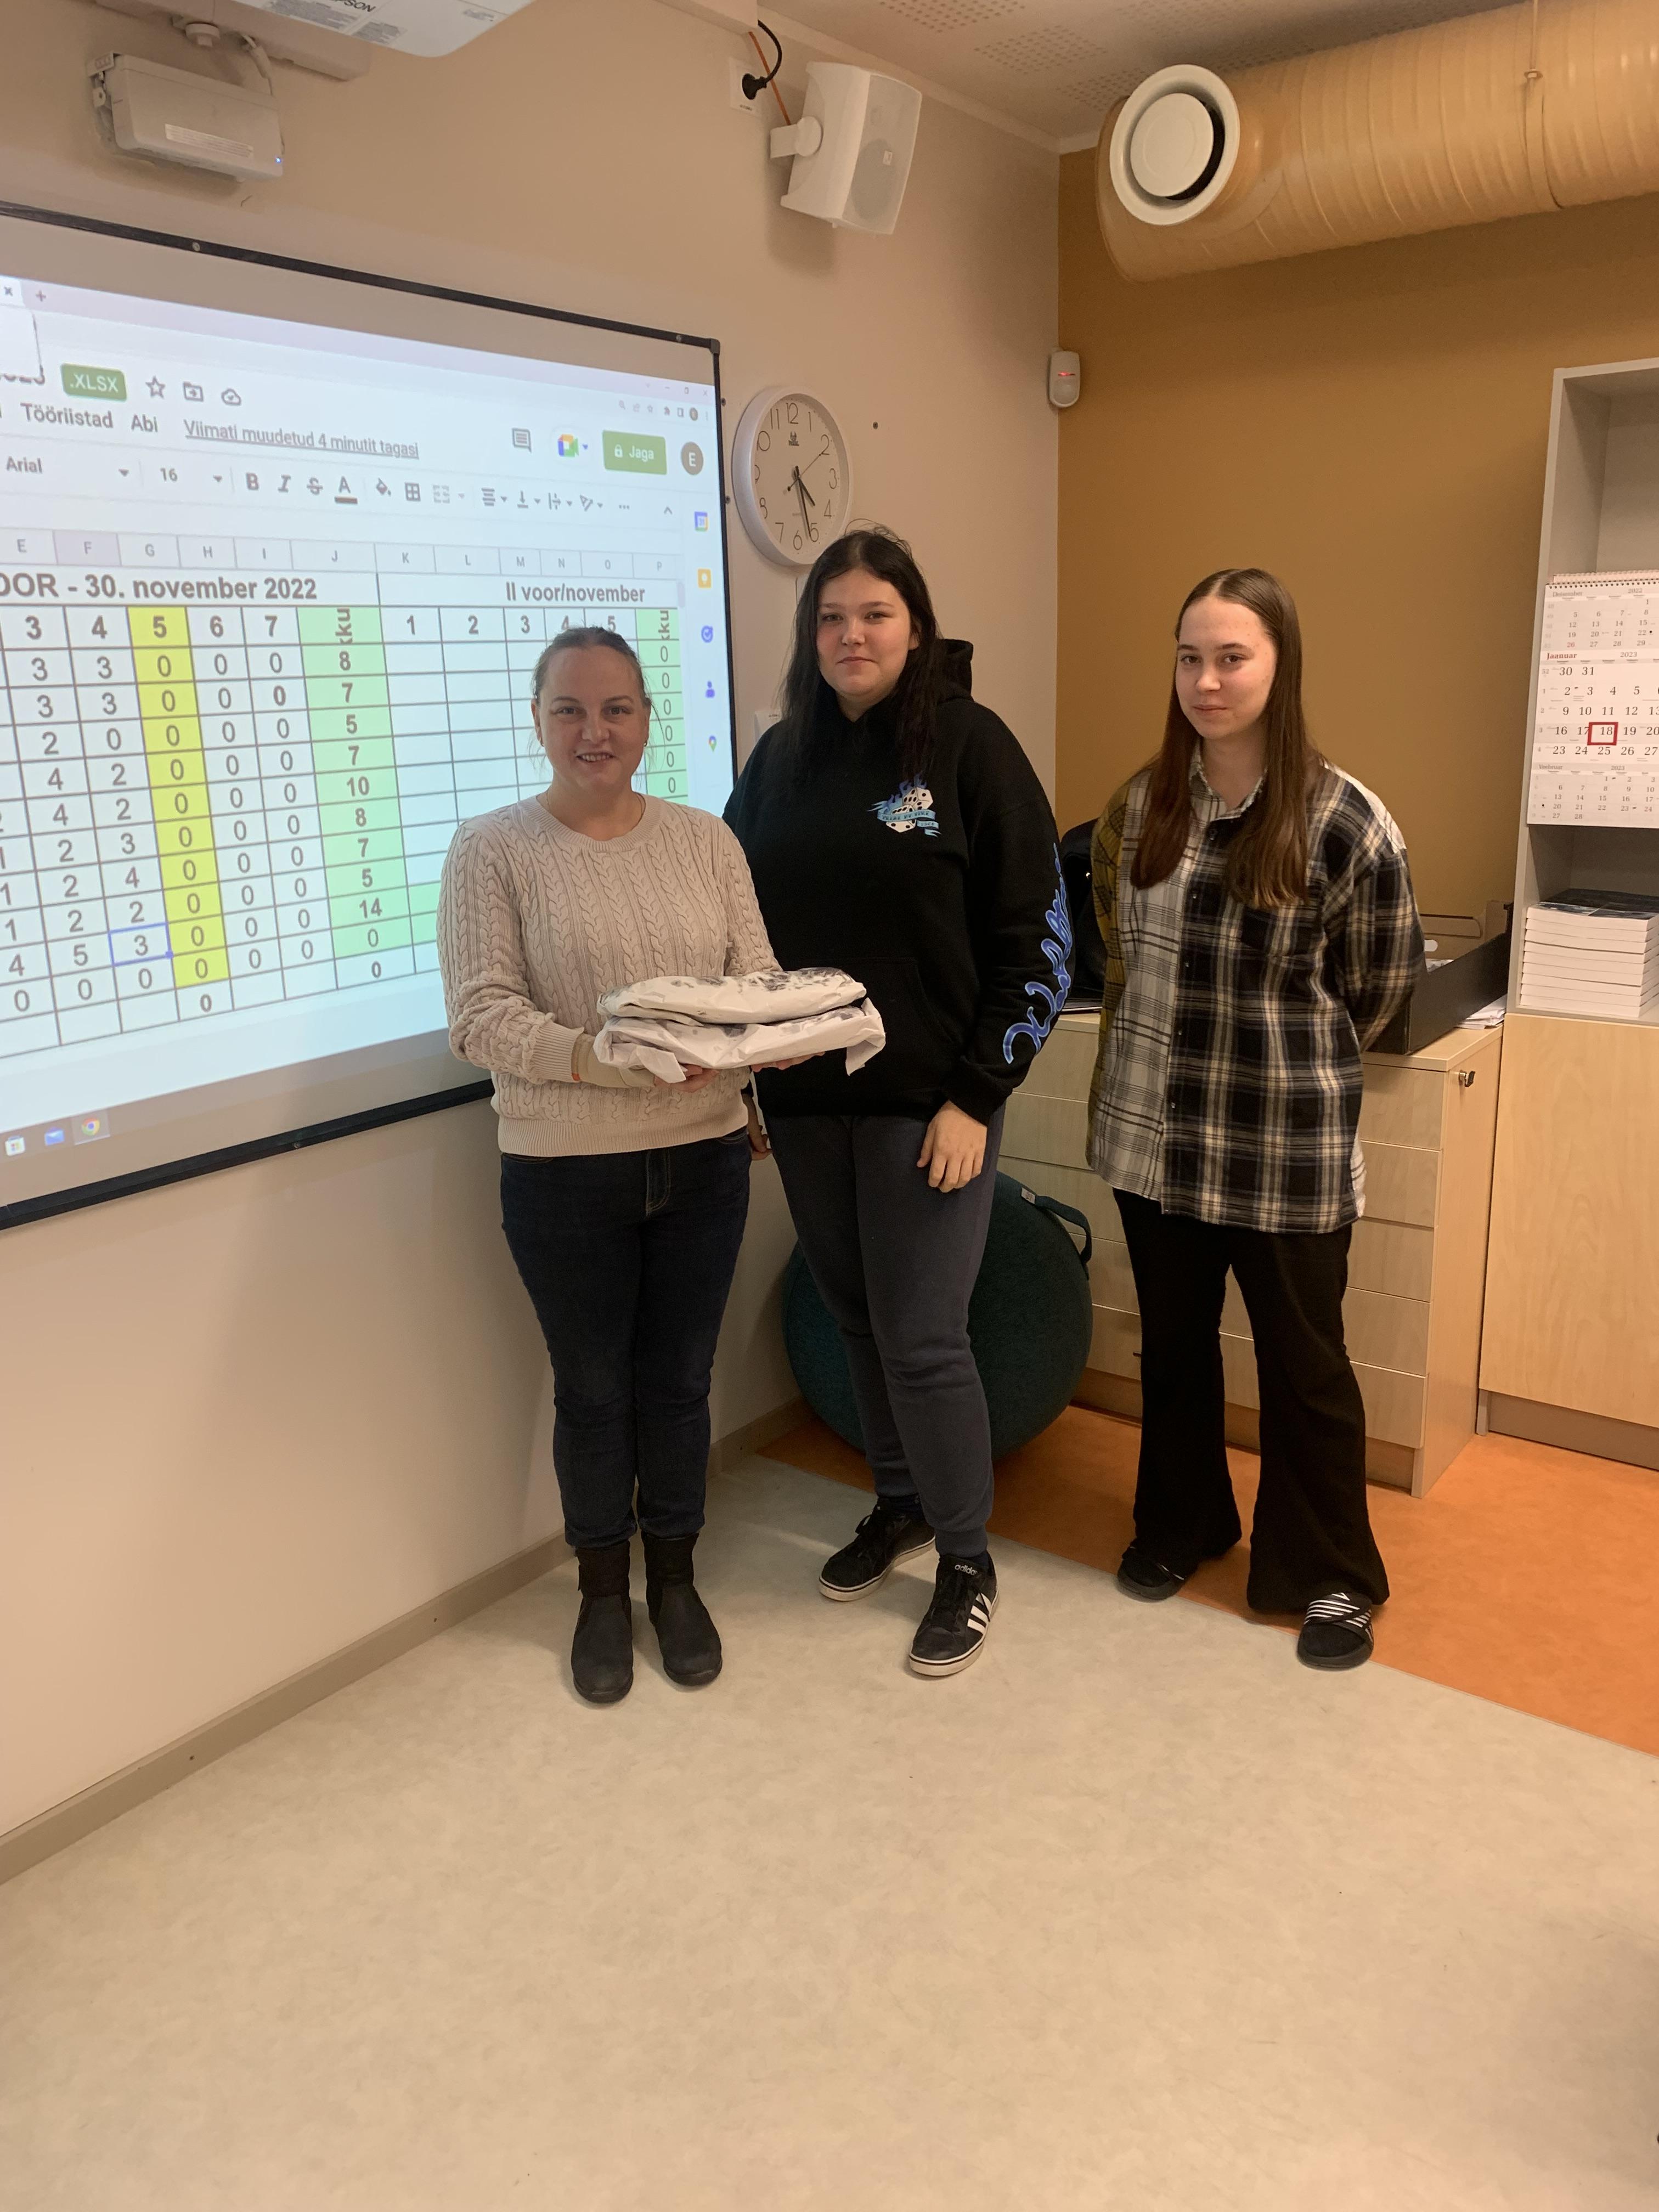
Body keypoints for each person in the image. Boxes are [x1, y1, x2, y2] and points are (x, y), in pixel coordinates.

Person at [726, 528, 1069, 1678]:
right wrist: (745, 1068)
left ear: (915, 626)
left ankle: (967, 1559)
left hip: (932, 1106)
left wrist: (978, 1096)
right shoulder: (780, 761)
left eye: (874, 614)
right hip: (806, 1102)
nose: (851, 636)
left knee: (923, 1337)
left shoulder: (970, 748)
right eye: (830, 618)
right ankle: (900, 1503)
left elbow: (1039, 943)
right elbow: (734, 922)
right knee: (859, 1321)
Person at [1086, 567, 1424, 1671]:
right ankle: (1182, 1521)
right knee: (1176, 1349)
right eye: (1191, 657)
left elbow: (1377, 994)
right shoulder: (1142, 806)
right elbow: (1119, 951)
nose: (1208, 680)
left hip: (1284, 1153)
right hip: (1155, 1141)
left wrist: (1281, 1065)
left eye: (1232, 657)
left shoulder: (1346, 822)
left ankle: (1327, 1574)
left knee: (1304, 1368)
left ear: (1280, 667)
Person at [437, 625, 780, 1707]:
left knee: (679, 1384)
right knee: (592, 1391)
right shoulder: (492, 849)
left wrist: (749, 1049)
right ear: (539, 721)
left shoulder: (707, 841)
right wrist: (602, 1058)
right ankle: (599, 1593)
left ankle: (674, 1579)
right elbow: (480, 1015)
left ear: (646, 720)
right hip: (564, 1171)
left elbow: (756, 980)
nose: (596, 731)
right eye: (571, 710)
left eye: (617, 708)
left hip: (705, 1157)